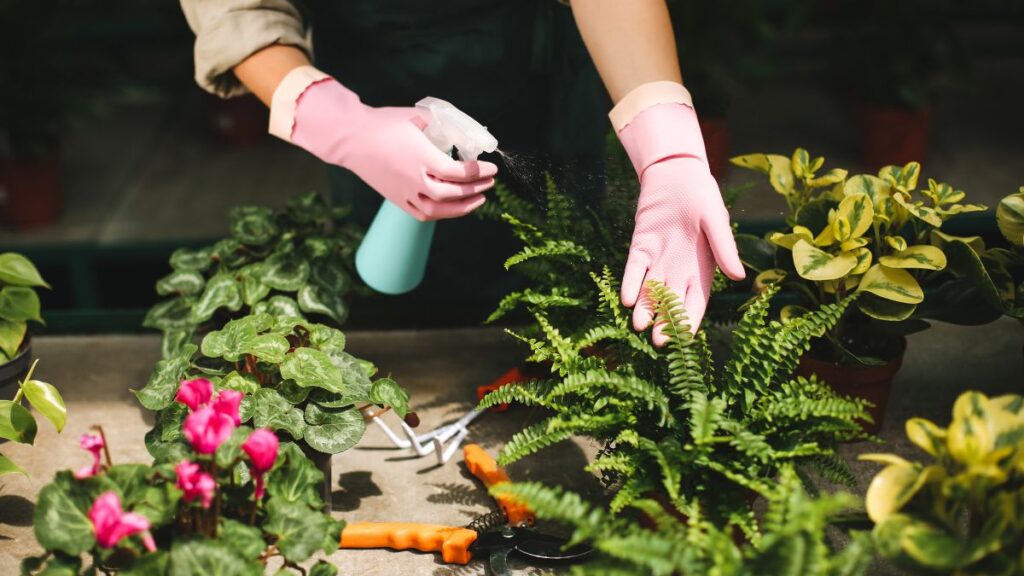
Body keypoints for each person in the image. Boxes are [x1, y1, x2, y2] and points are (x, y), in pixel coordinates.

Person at [180, 0, 745, 345]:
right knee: (403, 303)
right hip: (380, 78)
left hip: (541, 63)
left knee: (573, 271)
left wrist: (668, 149)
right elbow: (238, 13)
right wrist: (341, 123)